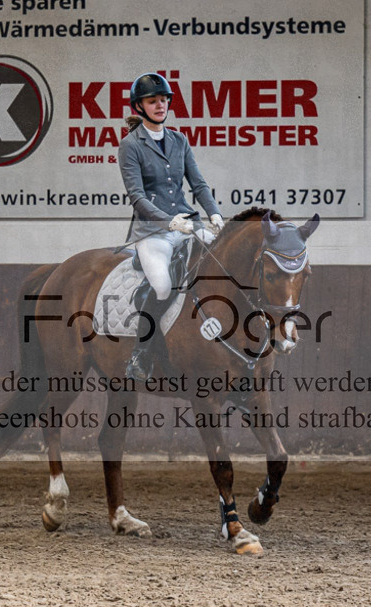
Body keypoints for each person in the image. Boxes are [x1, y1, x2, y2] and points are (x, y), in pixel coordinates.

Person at [118, 72, 225, 381]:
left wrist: (214, 214)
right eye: (153, 101)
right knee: (163, 286)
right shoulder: (130, 146)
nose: (160, 105)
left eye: (163, 100)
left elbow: (198, 183)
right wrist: (167, 221)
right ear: (140, 106)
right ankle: (141, 354)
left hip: (188, 225)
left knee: (222, 265)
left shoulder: (179, 139)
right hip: (154, 232)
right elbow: (137, 198)